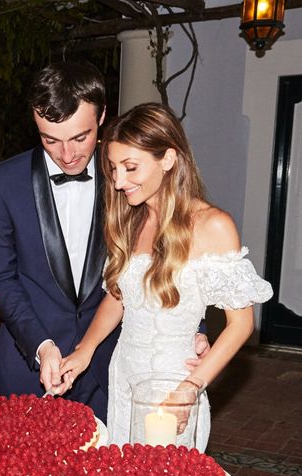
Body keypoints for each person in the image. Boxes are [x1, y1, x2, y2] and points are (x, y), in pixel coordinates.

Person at [0, 63, 207, 423]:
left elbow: (172, 251)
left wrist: (193, 329)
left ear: (102, 116)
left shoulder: (130, 176)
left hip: (112, 369)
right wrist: (41, 346)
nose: (67, 154)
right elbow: (1, 279)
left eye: (80, 137)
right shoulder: (0, 183)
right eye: (50, 139)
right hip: (29, 369)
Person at [59, 102, 272, 449]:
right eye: (113, 168)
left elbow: (241, 323)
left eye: (130, 167)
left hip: (171, 386)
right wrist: (85, 349)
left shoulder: (213, 225)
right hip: (124, 375)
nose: (118, 181)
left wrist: (191, 387)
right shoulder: (130, 220)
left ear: (168, 160)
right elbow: (119, 297)